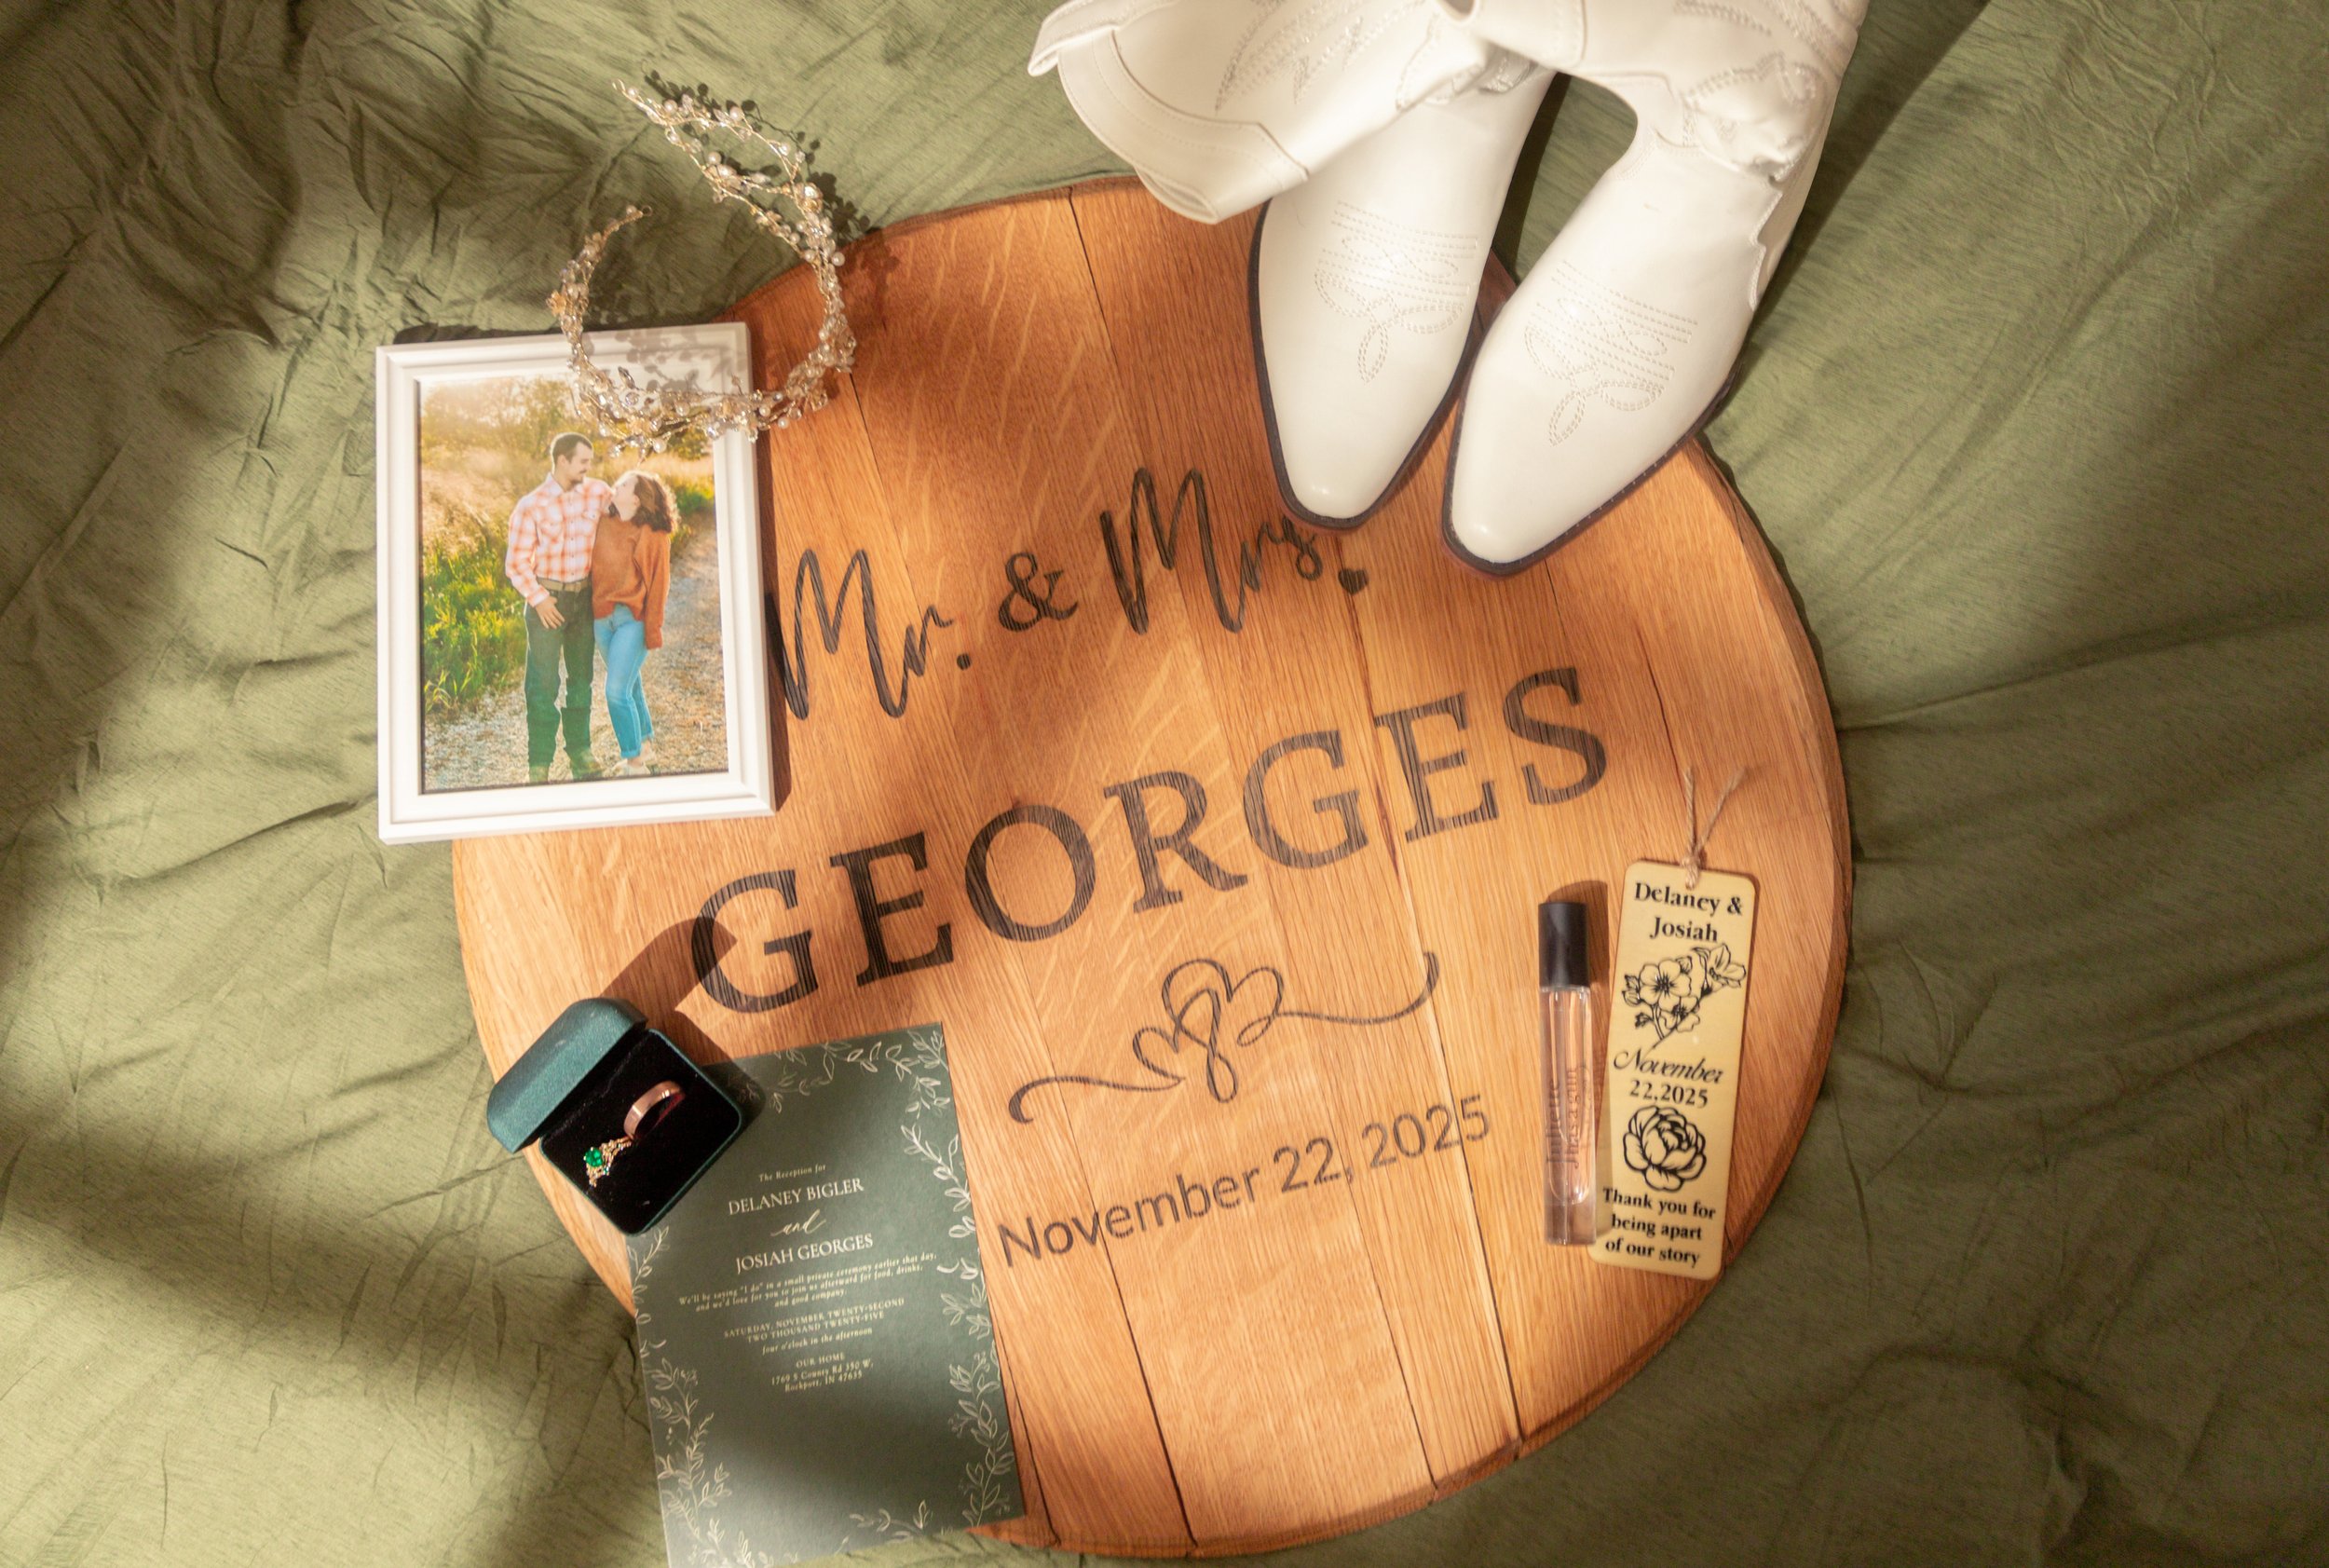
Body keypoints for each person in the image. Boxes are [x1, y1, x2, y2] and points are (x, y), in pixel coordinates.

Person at [504, 432, 613, 783]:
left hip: (584, 600)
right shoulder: (531, 505)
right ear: (562, 460)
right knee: (542, 684)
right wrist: (538, 599)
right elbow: (516, 563)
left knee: (581, 679)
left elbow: (626, 516)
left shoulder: (599, 493)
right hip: (547, 600)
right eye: (583, 461)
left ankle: (580, 751)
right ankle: (539, 764)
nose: (588, 468)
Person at [590, 470, 674, 777]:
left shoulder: (653, 533)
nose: (616, 485)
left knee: (615, 691)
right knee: (629, 683)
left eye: (624, 484)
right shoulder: (602, 521)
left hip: (632, 621)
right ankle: (645, 744)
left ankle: (635, 763)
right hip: (601, 619)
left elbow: (659, 584)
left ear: (636, 498)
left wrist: (652, 630)